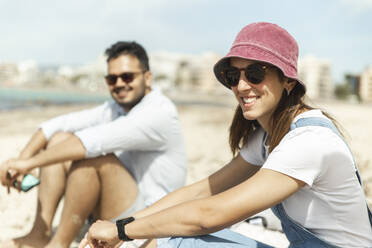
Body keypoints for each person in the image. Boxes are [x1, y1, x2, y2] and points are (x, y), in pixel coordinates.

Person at [79, 22, 372, 248]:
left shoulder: (308, 142)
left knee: (179, 241)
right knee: (169, 238)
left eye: (255, 74)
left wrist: (120, 232)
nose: (242, 86)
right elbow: (201, 190)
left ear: (288, 81)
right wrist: (123, 225)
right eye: (235, 76)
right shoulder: (268, 137)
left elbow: (209, 214)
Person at [0, 41, 187, 248]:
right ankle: (39, 235)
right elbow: (56, 125)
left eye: (127, 76)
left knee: (95, 157)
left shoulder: (159, 113)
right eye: (111, 78)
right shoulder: (115, 109)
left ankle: (59, 243)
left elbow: (91, 143)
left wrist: (29, 164)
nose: (119, 83)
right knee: (60, 139)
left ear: (147, 77)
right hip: (118, 208)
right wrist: (22, 158)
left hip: (149, 223)